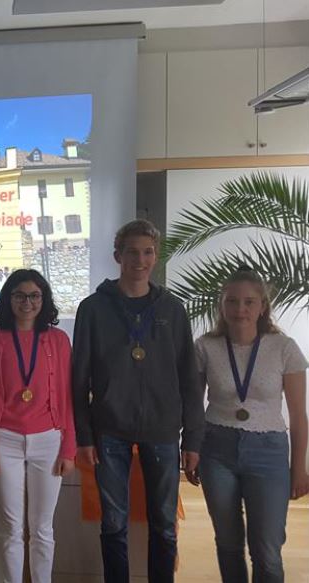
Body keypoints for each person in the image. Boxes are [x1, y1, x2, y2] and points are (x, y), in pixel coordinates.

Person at [71, 219, 204, 583]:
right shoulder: (92, 308)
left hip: (162, 430)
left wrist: (193, 439)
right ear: (118, 256)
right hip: (109, 430)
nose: (140, 260)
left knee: (164, 524)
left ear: (156, 257)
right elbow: (79, 379)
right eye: (132, 252)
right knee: (113, 524)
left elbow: (189, 378)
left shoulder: (172, 309)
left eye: (147, 252)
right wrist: (84, 436)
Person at [190, 267, 308, 583]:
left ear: (262, 306)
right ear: (221, 305)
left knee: (267, 550)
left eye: (249, 302)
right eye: (231, 301)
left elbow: (299, 416)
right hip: (217, 449)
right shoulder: (205, 346)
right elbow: (193, 407)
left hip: (268, 452)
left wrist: (299, 468)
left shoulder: (284, 348)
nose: (239, 309)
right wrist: (190, 449)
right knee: (228, 543)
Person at [0, 269, 76, 583]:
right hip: (4, 439)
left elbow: (68, 396)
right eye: (19, 295)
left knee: (42, 528)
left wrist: (69, 448)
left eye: (34, 296)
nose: (27, 302)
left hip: (49, 441)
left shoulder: (59, 340)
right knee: (11, 528)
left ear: (44, 300)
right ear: (8, 299)